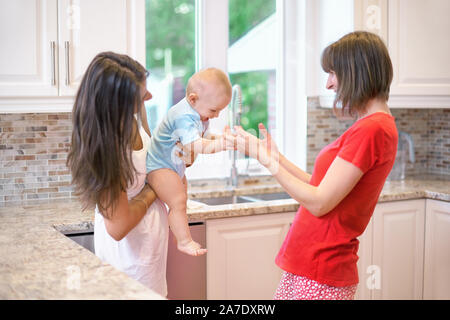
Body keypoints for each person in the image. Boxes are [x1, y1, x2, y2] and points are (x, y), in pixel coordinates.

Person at [225, 31, 398, 300]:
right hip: (312, 266)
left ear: (356, 72)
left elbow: (319, 202)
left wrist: (267, 161)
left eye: (333, 73)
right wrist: (275, 157)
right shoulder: (370, 127)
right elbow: (320, 186)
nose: (329, 84)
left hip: (323, 266)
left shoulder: (373, 129)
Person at [67, 52, 173, 297]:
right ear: (115, 104)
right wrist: (153, 189)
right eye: (141, 95)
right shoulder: (105, 148)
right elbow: (118, 226)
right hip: (128, 260)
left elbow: (149, 159)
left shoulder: (132, 117)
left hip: (149, 250)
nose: (150, 96)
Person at [146, 68, 233, 257]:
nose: (216, 115)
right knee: (178, 202)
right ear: (193, 99)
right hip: (159, 166)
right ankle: (184, 241)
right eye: (214, 110)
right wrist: (221, 144)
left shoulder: (197, 113)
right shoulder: (183, 115)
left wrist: (220, 139)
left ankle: (183, 239)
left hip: (173, 166)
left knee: (181, 202)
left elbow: (202, 136)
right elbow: (195, 144)